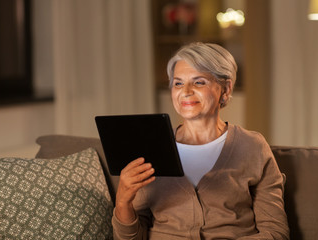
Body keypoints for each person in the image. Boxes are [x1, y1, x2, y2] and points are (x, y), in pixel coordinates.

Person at [112, 42, 289, 239]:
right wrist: (123, 203)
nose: (186, 91)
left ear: (226, 88)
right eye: (178, 83)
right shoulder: (150, 146)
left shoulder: (253, 146)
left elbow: (276, 233)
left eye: (199, 82)